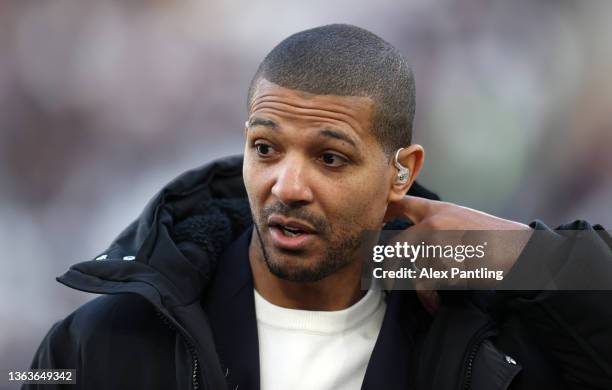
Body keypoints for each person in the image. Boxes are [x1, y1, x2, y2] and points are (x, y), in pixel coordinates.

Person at [26, 24, 612, 390]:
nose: (287, 186)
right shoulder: (104, 341)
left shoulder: (476, 338)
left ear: (401, 172)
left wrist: (522, 257)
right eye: (265, 149)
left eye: (330, 158)